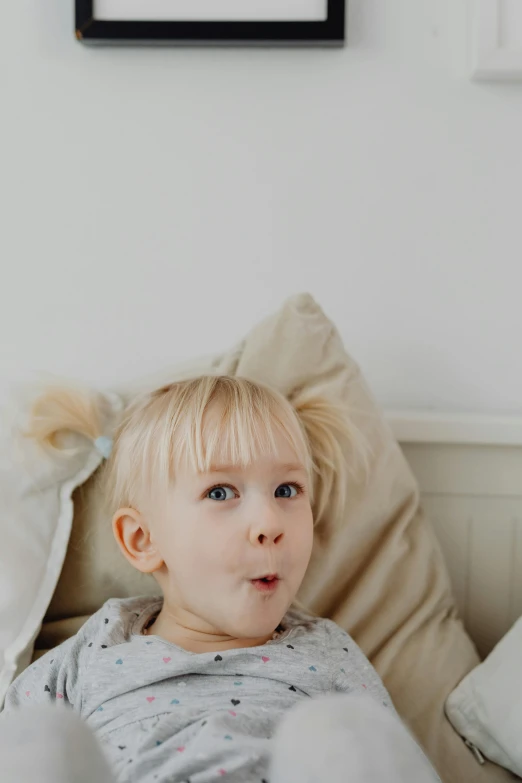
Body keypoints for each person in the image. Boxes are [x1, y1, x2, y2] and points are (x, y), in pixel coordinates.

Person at [0, 376, 440, 783]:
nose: (269, 522)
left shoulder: (326, 651)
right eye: (220, 492)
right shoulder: (99, 645)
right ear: (142, 540)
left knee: (346, 729)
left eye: (286, 490)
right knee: (39, 737)